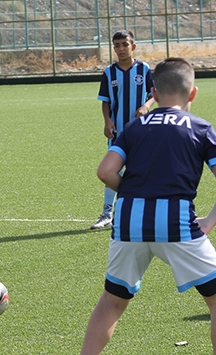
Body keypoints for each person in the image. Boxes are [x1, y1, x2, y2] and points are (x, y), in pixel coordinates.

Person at [80, 57, 216, 355]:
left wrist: (132, 191)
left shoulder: (134, 127)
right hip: (176, 223)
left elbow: (105, 172)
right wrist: (210, 220)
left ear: (153, 93)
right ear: (192, 93)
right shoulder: (201, 128)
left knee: (112, 301)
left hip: (129, 222)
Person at [92, 29, 155, 230]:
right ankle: (106, 214)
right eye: (117, 45)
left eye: (124, 44)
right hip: (117, 132)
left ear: (133, 46)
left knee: (139, 171)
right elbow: (105, 100)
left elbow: (154, 94)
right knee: (113, 170)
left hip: (140, 131)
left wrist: (146, 106)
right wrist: (107, 121)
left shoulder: (144, 69)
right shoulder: (109, 72)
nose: (121, 49)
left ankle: (133, 214)